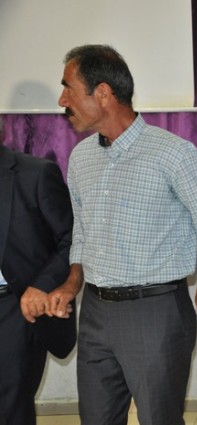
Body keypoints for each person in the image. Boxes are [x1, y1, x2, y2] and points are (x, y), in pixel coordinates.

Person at [47, 45, 197, 425]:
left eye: (69, 88)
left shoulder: (172, 153)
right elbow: (81, 231)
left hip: (156, 312)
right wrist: (71, 284)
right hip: (95, 312)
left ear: (103, 93)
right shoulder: (81, 158)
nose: (62, 99)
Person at [0, 143, 76, 425]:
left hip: (13, 309)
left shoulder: (35, 174)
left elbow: (72, 240)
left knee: (9, 410)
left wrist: (42, 285)